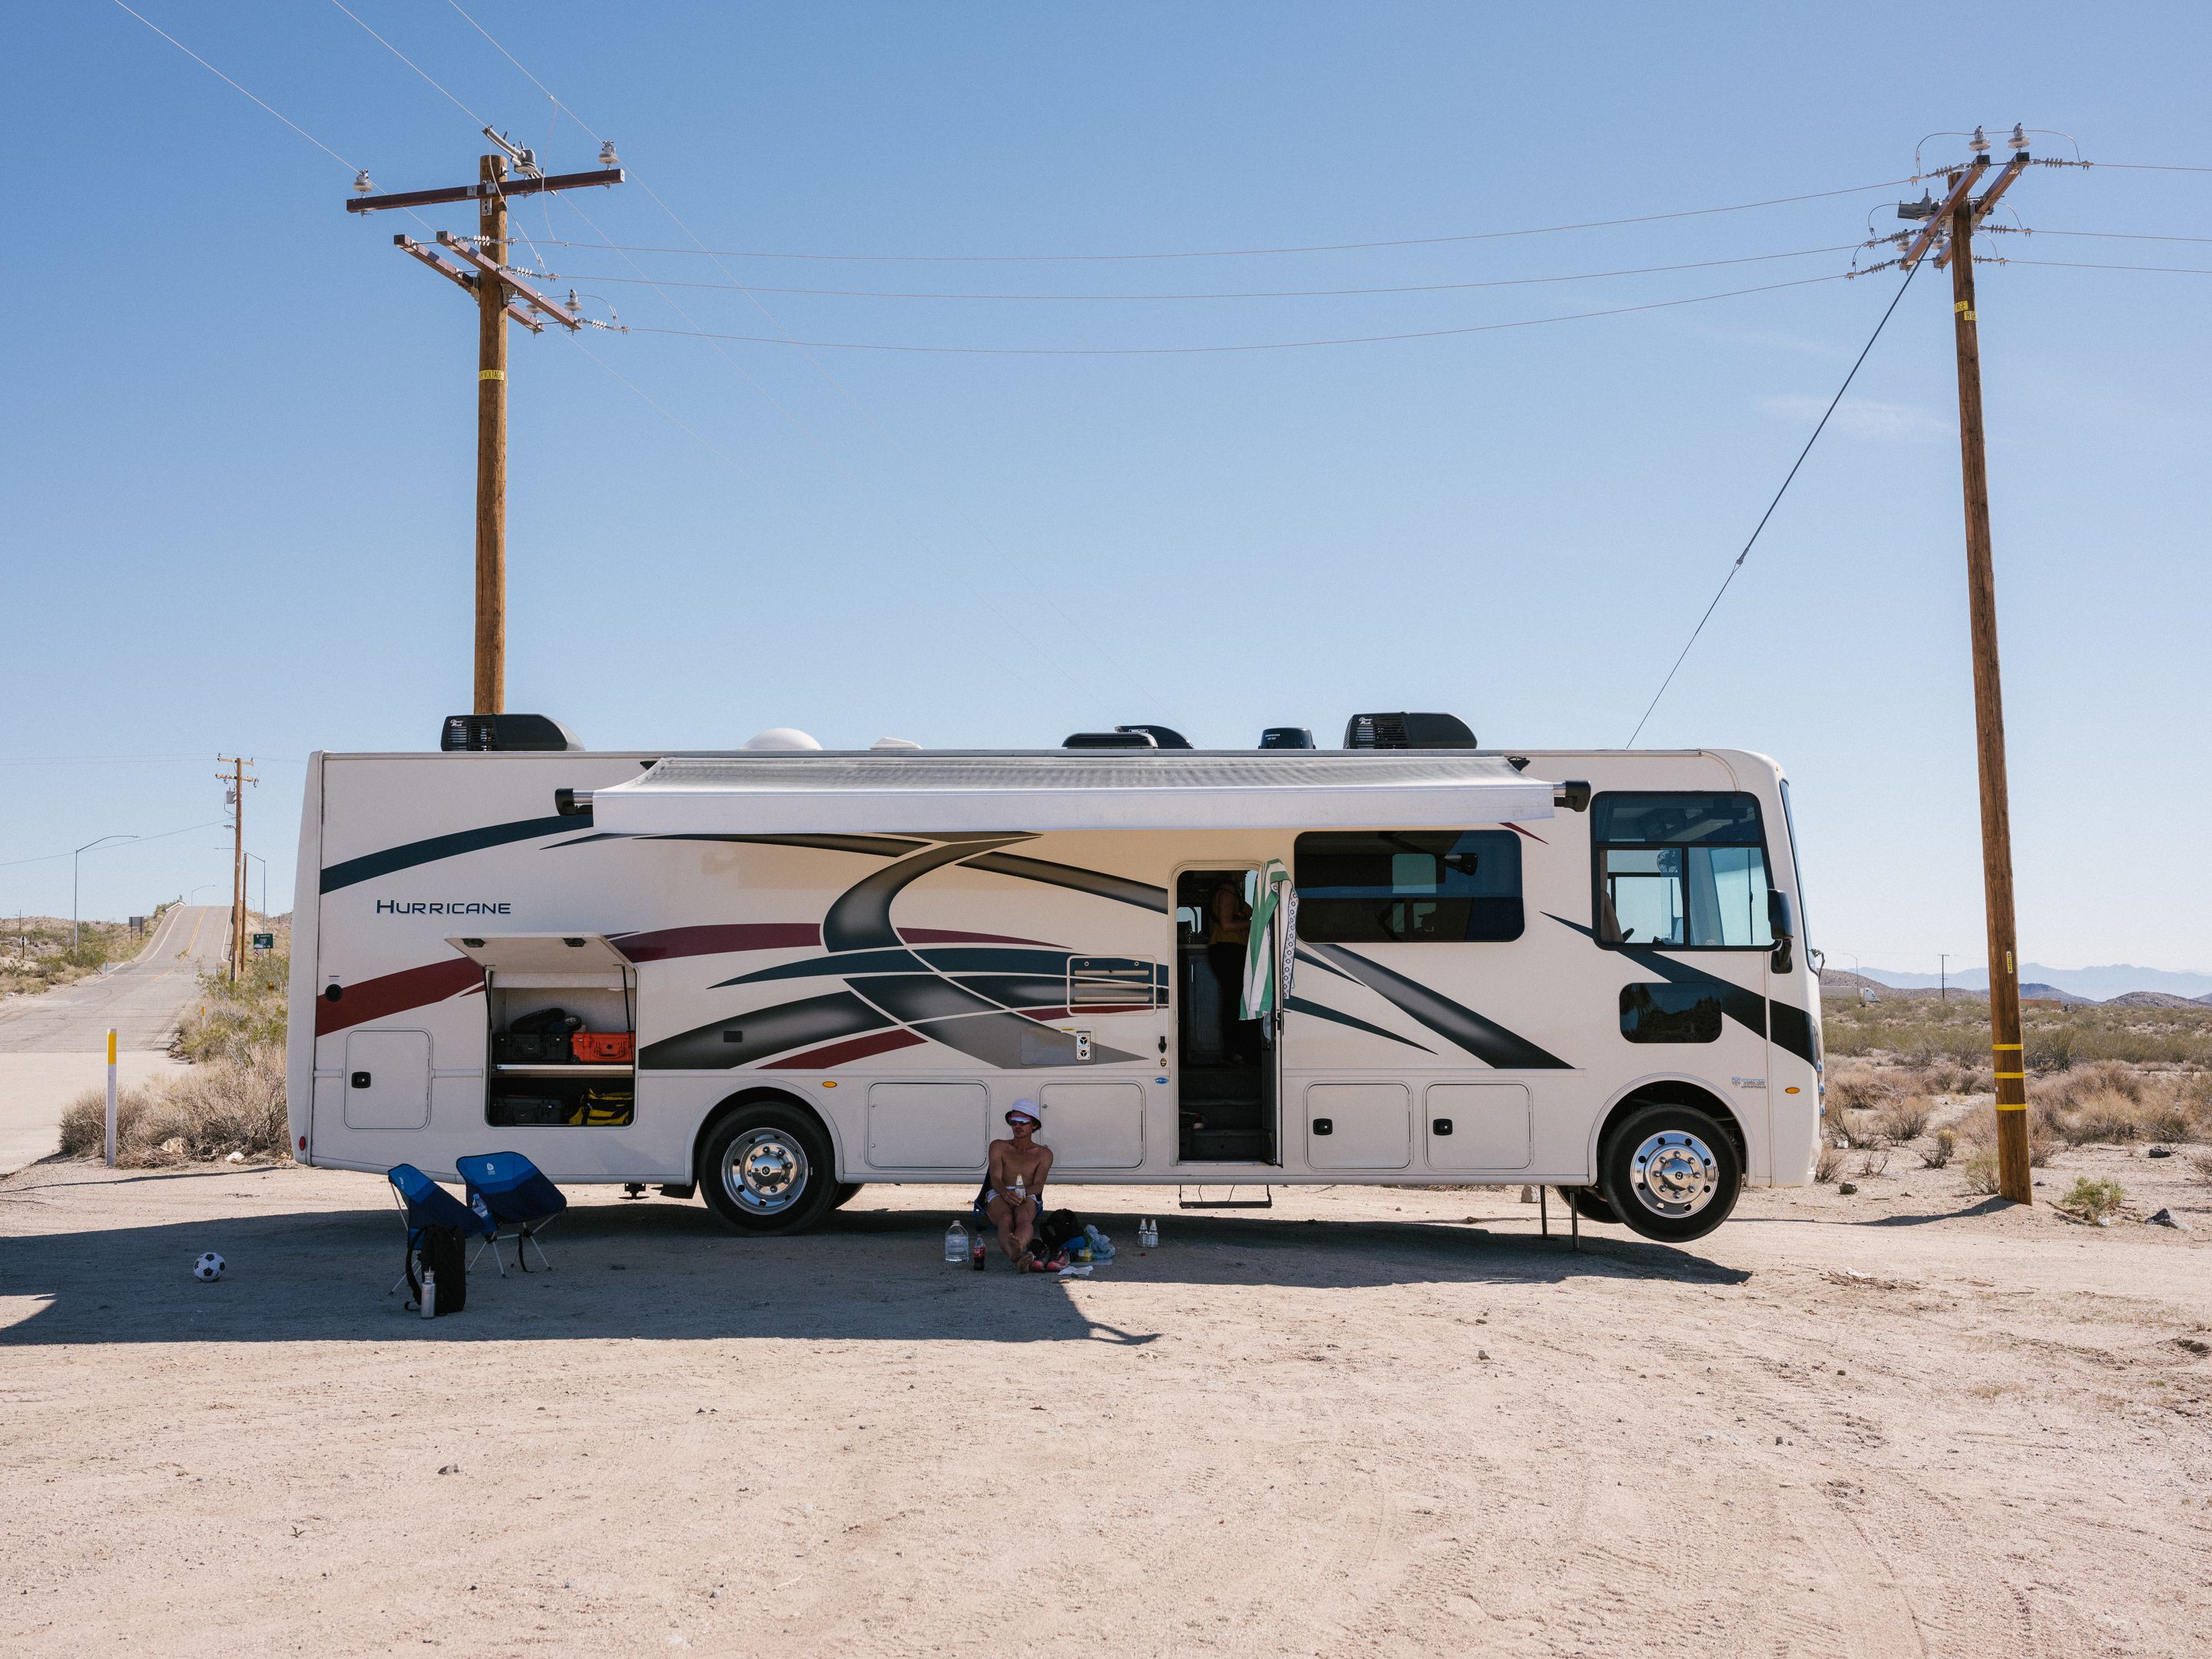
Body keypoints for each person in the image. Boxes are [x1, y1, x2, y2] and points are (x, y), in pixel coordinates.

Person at [983, 1101, 1055, 1270]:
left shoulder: (1044, 1153)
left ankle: (1017, 1248)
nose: (1018, 1126)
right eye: (1014, 1122)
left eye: (1023, 1122)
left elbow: (1038, 1185)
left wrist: (1022, 1192)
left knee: (1023, 1216)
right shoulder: (999, 1146)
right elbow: (995, 1178)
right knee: (1006, 1218)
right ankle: (1016, 1253)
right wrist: (1005, 1192)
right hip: (1000, 1192)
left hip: (1027, 1193)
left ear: (1034, 1125)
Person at [1207, 877, 1259, 1063]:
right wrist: (1256, 924)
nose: (1245, 872)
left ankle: (1236, 1051)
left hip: (1231, 949)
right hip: (1228, 949)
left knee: (1235, 1000)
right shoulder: (1228, 889)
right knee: (1236, 1002)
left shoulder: (1232, 889)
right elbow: (1226, 924)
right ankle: (1236, 1051)